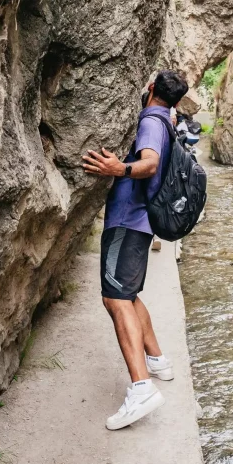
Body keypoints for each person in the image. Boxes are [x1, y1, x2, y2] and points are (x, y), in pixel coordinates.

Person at [81, 70, 190, 430]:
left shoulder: (150, 121)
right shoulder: (167, 121)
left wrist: (119, 167)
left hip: (127, 221)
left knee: (114, 299)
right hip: (141, 224)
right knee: (128, 294)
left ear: (150, 89)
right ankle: (157, 359)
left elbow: (150, 163)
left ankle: (141, 387)